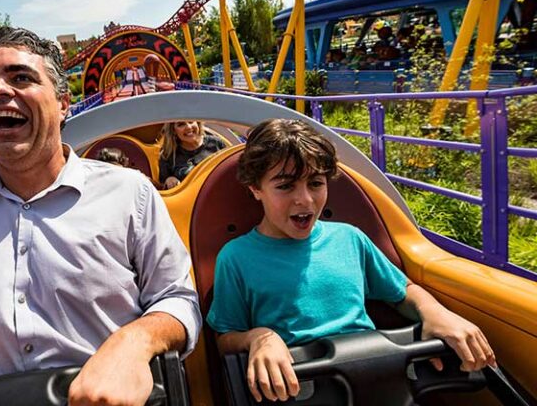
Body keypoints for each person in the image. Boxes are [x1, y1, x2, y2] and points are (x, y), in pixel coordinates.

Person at [0, 27, 201, 406]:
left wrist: (136, 340)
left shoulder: (130, 193)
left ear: (63, 103)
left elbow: (177, 299)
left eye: (21, 77)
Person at [206, 118, 496, 403]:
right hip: (302, 391)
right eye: (285, 186)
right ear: (256, 188)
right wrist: (258, 337)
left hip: (376, 379)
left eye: (316, 183)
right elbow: (225, 338)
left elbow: (402, 292)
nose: (305, 200)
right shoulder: (236, 258)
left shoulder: (350, 239)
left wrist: (434, 313)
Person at [158, 121, 227, 189]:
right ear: (173, 131)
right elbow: (162, 186)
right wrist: (169, 179)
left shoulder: (216, 143)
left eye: (191, 122)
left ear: (197, 123)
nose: (188, 127)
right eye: (181, 124)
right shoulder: (168, 155)